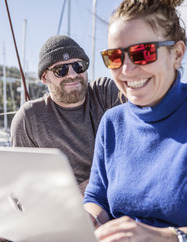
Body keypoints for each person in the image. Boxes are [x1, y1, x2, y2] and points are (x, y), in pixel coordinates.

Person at [83, 0, 187, 242]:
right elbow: (98, 199)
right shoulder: (112, 122)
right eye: (115, 57)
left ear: (177, 53)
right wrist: (87, 219)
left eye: (143, 52)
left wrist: (170, 240)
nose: (127, 69)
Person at [10, 35, 122, 195]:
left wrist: (89, 189)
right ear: (44, 77)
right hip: (63, 209)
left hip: (116, 200)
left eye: (78, 66)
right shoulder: (29, 119)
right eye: (60, 70)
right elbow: (21, 187)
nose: (72, 74)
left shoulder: (105, 92)